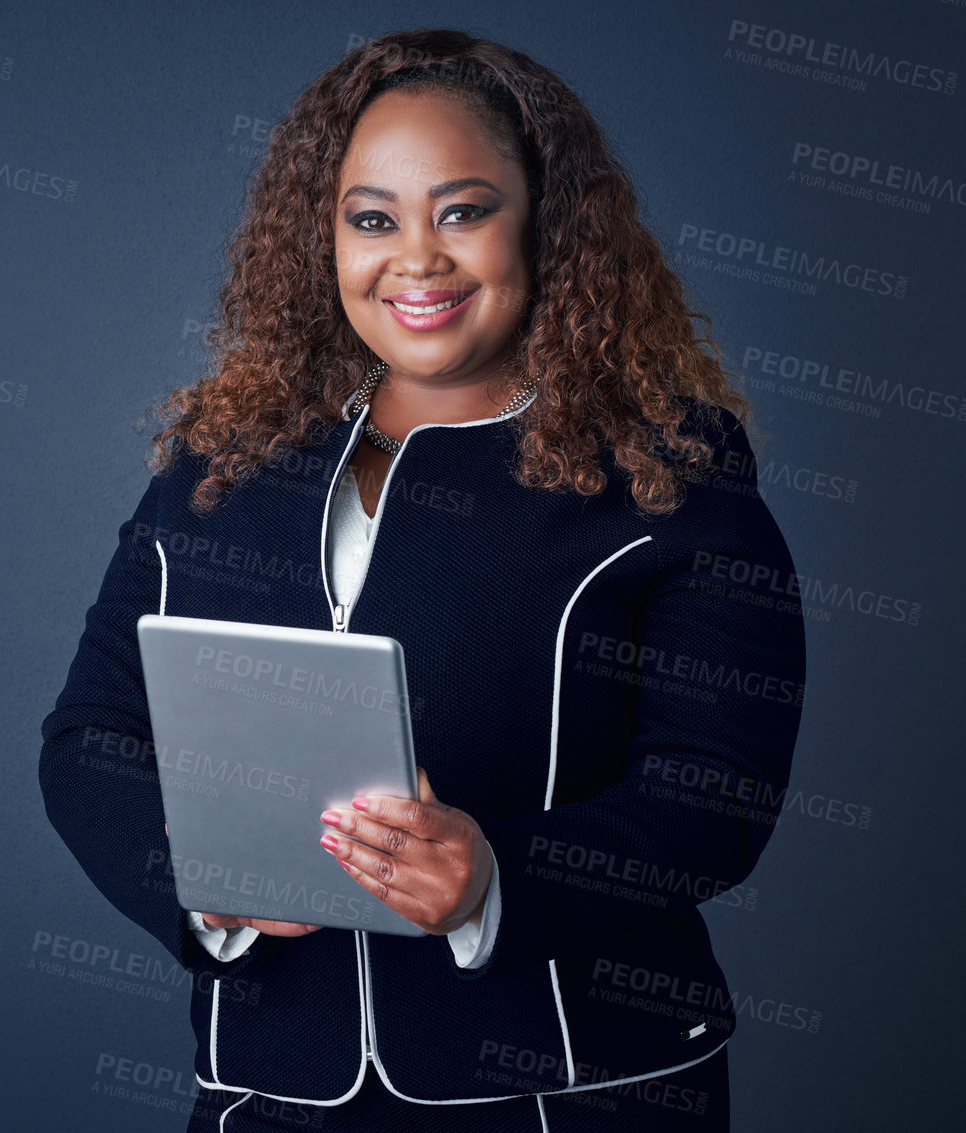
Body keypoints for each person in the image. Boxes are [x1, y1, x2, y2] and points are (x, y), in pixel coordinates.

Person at [39, 28, 806, 1132]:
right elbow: (90, 735)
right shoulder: (223, 464)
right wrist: (195, 878)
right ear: (323, 240)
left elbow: (714, 790)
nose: (415, 258)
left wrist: (495, 877)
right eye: (371, 217)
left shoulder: (665, 474)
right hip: (271, 1089)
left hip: (569, 1091)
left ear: (543, 225)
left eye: (461, 210)